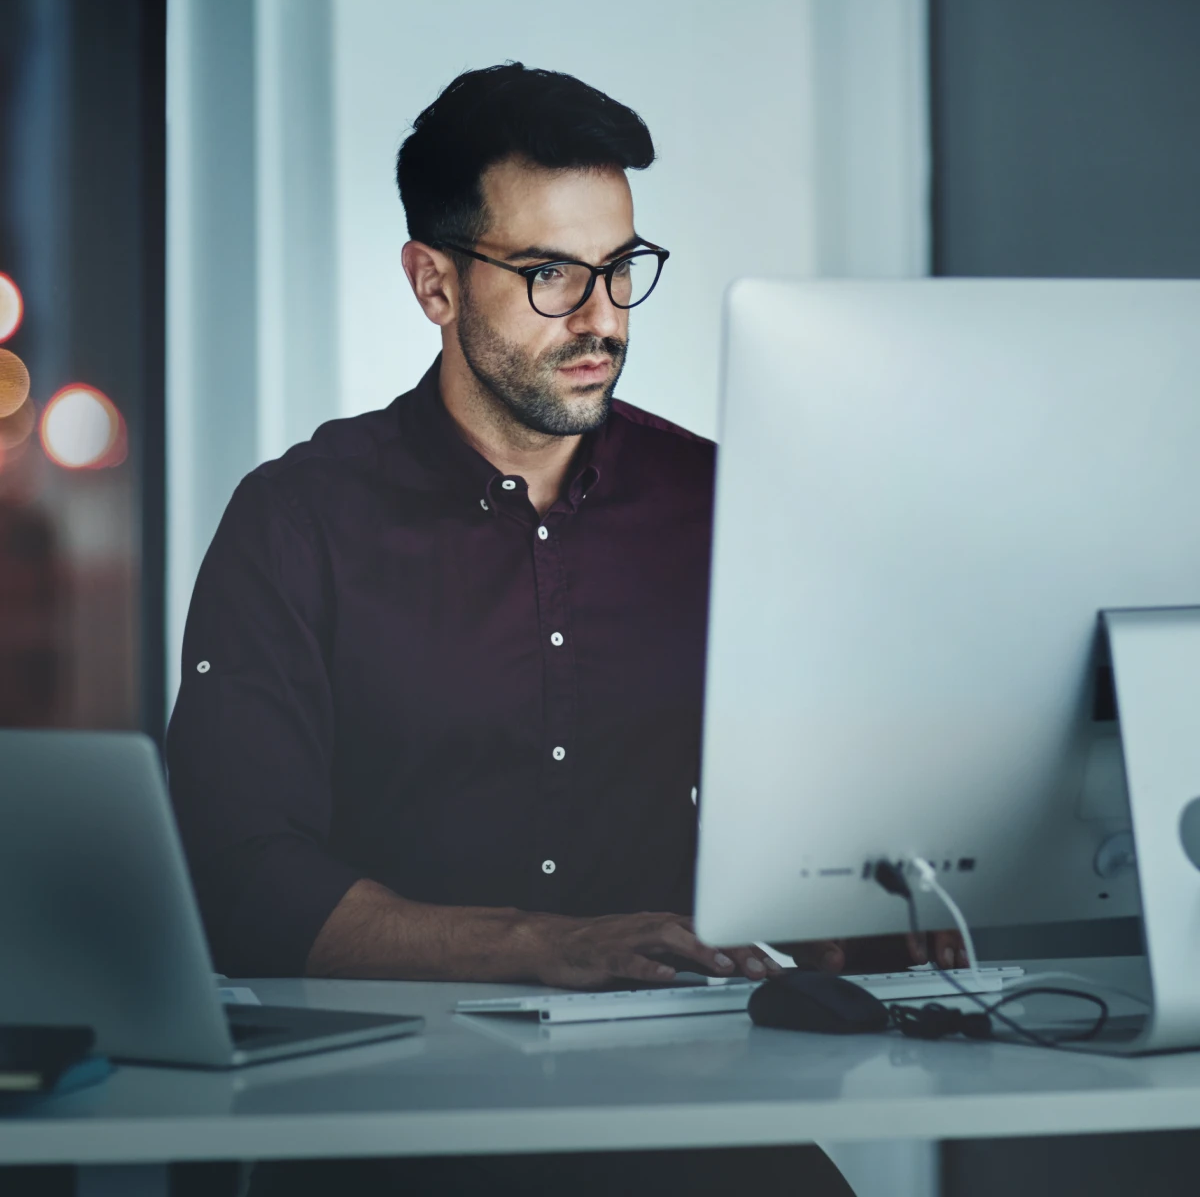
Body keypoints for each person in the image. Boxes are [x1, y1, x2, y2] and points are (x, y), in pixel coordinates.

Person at [167, 63, 950, 1195]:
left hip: (692, 1106)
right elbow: (241, 881)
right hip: (390, 1128)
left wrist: (861, 919)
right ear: (434, 283)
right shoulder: (298, 521)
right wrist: (555, 944)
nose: (601, 320)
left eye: (621, 269)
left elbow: (825, 808)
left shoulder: (726, 503)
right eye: (549, 275)